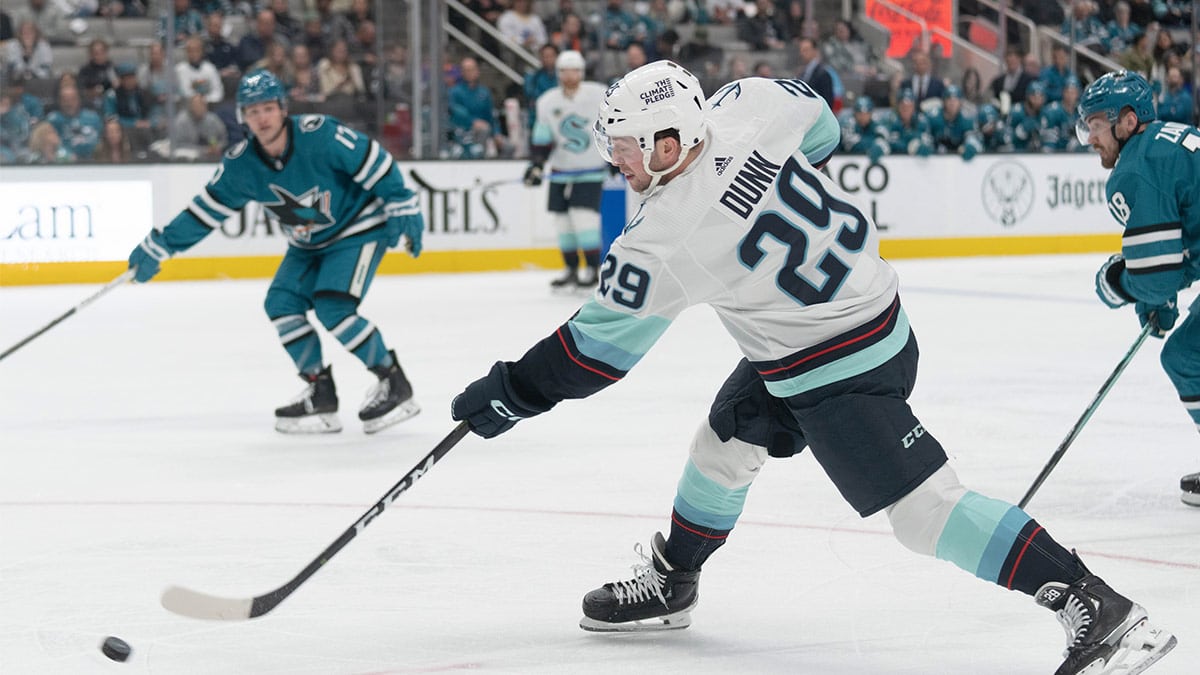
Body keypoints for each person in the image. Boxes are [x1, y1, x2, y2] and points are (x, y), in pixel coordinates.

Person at [449, 60, 1179, 674]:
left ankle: (1099, 607)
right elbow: (822, 123)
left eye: (629, 147)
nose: (619, 161)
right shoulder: (751, 102)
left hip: (832, 369)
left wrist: (512, 391)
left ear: (670, 142)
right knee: (725, 440)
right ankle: (674, 579)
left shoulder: (665, 236)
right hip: (872, 321)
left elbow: (590, 354)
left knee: (925, 514)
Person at [125, 70, 425, 435]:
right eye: (253, 112)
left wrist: (402, 203)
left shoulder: (320, 134)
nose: (262, 118)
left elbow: (373, 160)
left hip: (357, 228)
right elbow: (206, 211)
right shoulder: (241, 165)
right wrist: (162, 245)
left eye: (268, 108)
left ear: (283, 108)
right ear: (242, 117)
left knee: (333, 306)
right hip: (308, 243)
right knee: (281, 304)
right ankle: (321, 391)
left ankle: (393, 382)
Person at [1085, 70, 1200, 508]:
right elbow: (1184, 241)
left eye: (1095, 126)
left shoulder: (1136, 166)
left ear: (1127, 121)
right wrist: (1161, 295)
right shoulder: (1174, 137)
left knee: (1189, 357)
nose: (1090, 138)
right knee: (1188, 354)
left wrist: (1117, 283)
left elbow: (1155, 273)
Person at [523, 50, 608, 290]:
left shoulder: (599, 95)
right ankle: (570, 268)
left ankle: (592, 269)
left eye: (574, 70)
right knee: (562, 222)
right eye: (565, 70)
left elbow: (614, 124)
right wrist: (537, 165)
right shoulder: (547, 101)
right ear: (559, 73)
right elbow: (542, 137)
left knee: (584, 219)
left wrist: (616, 157)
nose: (570, 75)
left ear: (581, 72)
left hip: (590, 168)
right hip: (561, 169)